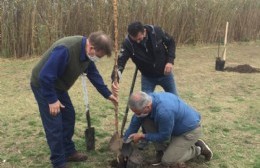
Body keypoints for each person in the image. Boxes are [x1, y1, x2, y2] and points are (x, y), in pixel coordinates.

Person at [30, 31, 118, 168]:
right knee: (54, 123)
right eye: (98, 56)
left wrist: (107, 94)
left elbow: (93, 74)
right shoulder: (66, 49)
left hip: (59, 86)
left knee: (69, 116)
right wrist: (52, 100)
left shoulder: (88, 55)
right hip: (44, 86)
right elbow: (45, 76)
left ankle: (68, 151)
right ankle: (58, 162)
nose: (97, 59)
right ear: (91, 48)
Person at [123, 91, 213, 167]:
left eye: (138, 112)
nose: (137, 115)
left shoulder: (164, 112)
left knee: (168, 161)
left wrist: (143, 136)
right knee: (145, 120)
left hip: (189, 131)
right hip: (173, 126)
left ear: (147, 107)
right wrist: (125, 141)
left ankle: (198, 149)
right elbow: (136, 121)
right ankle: (162, 151)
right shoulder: (148, 99)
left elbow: (164, 136)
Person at [111, 21, 178, 95]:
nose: (138, 42)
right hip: (147, 77)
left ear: (144, 31)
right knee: (145, 104)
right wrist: (115, 79)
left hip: (165, 74)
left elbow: (171, 42)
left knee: (175, 99)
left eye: (139, 39)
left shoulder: (156, 31)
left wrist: (170, 61)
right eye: (135, 40)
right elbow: (120, 62)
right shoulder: (128, 44)